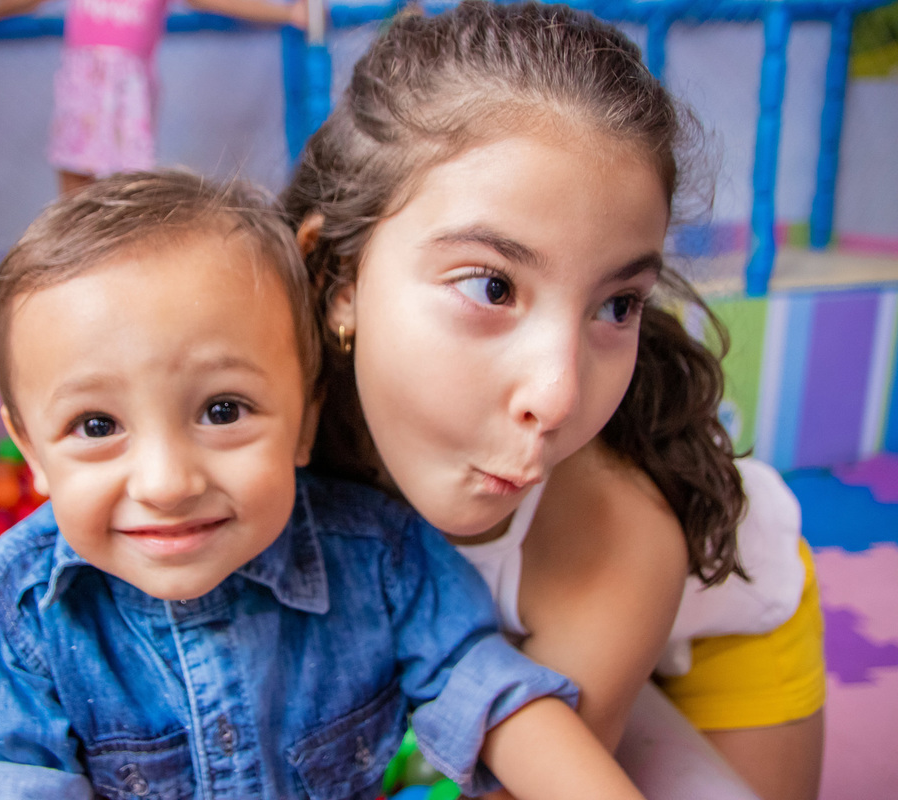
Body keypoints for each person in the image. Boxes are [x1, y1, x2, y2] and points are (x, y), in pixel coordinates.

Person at [0, 169, 649, 800]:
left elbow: (490, 696)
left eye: (222, 411)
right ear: (31, 452)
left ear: (306, 421)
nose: (168, 483)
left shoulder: (379, 559)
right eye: (96, 425)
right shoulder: (8, 618)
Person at [281, 3, 825, 800]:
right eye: (491, 286)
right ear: (338, 279)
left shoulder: (619, 534)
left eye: (617, 305)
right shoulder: (255, 422)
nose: (560, 396)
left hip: (714, 622)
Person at [0, 0, 307, 195]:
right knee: (75, 187)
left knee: (131, 185)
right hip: (83, 85)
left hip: (127, 94)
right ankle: (79, 268)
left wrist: (286, 13)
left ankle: (124, 267)